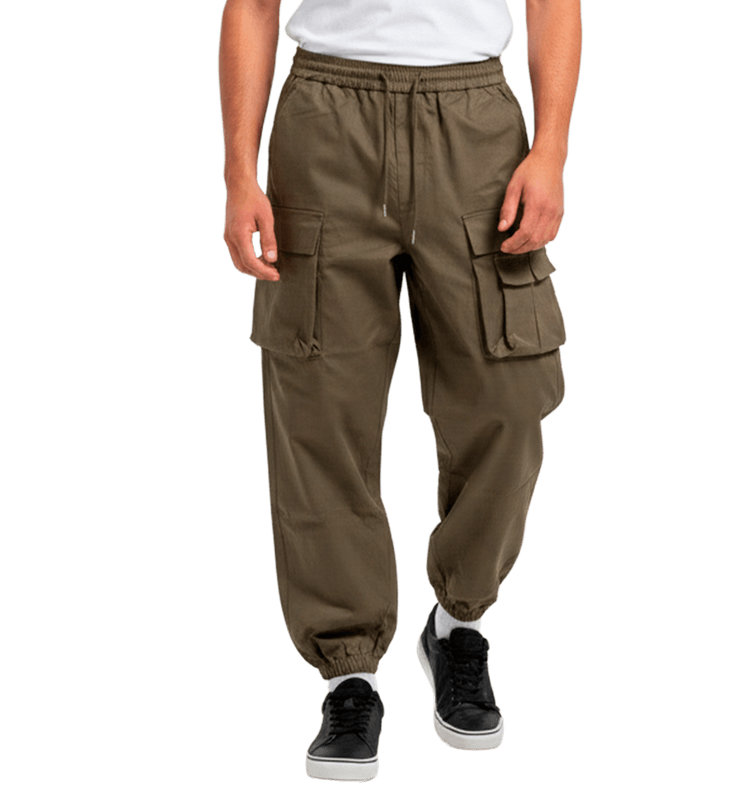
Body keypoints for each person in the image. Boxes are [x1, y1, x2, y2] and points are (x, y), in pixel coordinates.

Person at [218, 0, 582, 782]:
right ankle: (349, 673)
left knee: (510, 394)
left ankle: (457, 625)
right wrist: (238, 173)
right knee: (319, 408)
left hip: (474, 120)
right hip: (326, 118)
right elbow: (250, 5)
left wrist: (551, 148)